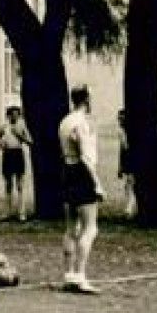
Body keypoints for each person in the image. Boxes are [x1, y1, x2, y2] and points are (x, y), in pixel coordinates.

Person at [57, 85, 103, 294]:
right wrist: (96, 182)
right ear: (86, 100)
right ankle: (80, 275)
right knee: (90, 227)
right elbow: (85, 156)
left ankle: (69, 274)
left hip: (67, 171)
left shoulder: (65, 121)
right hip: (81, 174)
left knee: (70, 228)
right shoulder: (81, 123)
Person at [0, 105, 33, 221]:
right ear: (8, 115)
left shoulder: (22, 125)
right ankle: (7, 212)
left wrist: (19, 135)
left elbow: (30, 141)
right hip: (7, 154)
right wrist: (1, 145)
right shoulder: (4, 126)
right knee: (8, 184)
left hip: (18, 153)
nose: (14, 116)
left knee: (20, 185)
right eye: (12, 114)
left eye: (17, 114)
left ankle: (22, 213)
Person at [116, 108, 136, 218]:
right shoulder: (121, 131)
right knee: (128, 185)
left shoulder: (130, 131)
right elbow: (122, 150)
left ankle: (129, 209)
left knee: (130, 184)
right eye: (118, 119)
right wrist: (120, 167)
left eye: (121, 119)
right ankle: (129, 207)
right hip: (128, 161)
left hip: (133, 160)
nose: (119, 121)